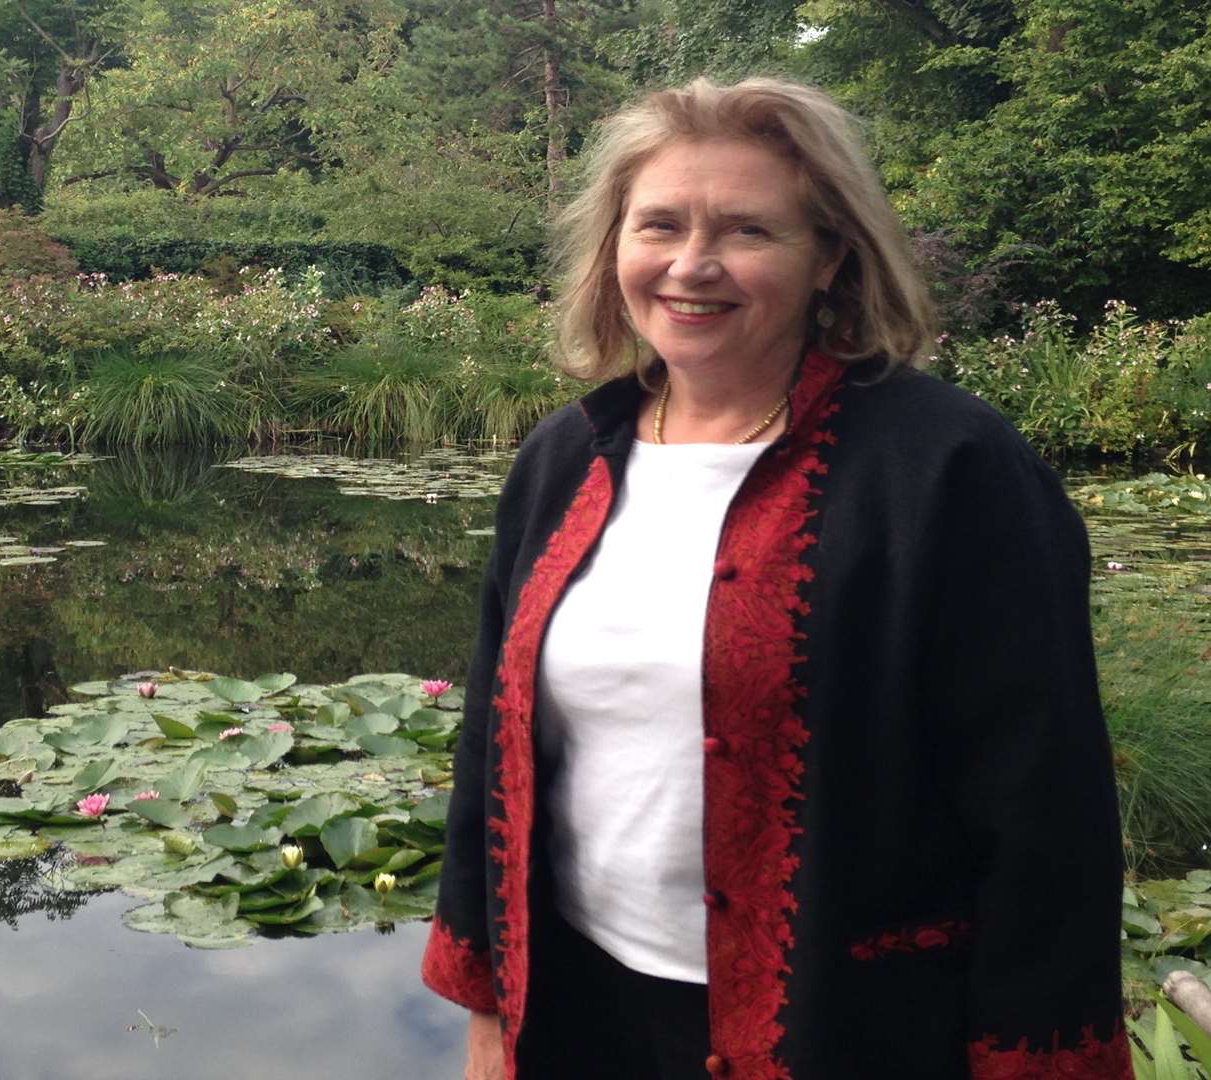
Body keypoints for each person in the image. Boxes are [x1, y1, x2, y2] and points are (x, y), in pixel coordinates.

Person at [421, 76, 1128, 1080]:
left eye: (746, 231)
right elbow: (492, 749)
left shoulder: (952, 470)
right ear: (614, 244)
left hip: (852, 1030)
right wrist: (486, 1005)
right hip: (584, 1009)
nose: (690, 265)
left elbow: (1042, 815)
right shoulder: (565, 458)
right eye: (658, 224)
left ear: (828, 258)